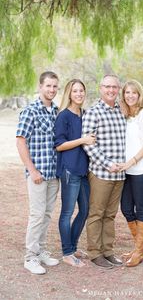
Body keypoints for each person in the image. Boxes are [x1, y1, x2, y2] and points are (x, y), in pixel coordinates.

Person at [16, 71, 60, 275]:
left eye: (54, 86)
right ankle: (30, 257)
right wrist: (32, 170)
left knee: (47, 213)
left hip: (53, 173)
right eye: (48, 86)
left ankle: (41, 250)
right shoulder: (30, 111)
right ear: (40, 86)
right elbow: (20, 141)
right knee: (36, 214)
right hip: (38, 174)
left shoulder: (56, 111)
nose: (51, 89)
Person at [82, 74, 126, 269]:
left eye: (114, 87)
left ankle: (108, 251)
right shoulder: (93, 112)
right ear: (100, 88)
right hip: (101, 173)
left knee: (110, 215)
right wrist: (107, 164)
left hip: (120, 174)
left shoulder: (122, 111)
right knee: (97, 213)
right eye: (107, 87)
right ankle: (95, 253)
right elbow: (88, 145)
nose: (111, 90)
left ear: (118, 89)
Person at [54, 79, 96, 267]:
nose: (79, 94)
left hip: (83, 170)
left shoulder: (85, 114)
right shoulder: (63, 116)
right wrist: (82, 140)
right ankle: (67, 252)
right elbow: (60, 145)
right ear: (69, 94)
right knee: (67, 212)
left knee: (85, 210)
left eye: (81, 90)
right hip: (69, 169)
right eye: (75, 91)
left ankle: (72, 246)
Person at [118, 80, 143, 267]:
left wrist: (131, 162)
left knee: (140, 208)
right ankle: (140, 248)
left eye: (134, 92)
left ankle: (139, 251)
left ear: (139, 94)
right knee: (126, 207)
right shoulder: (126, 115)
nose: (130, 96)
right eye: (127, 92)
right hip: (128, 169)